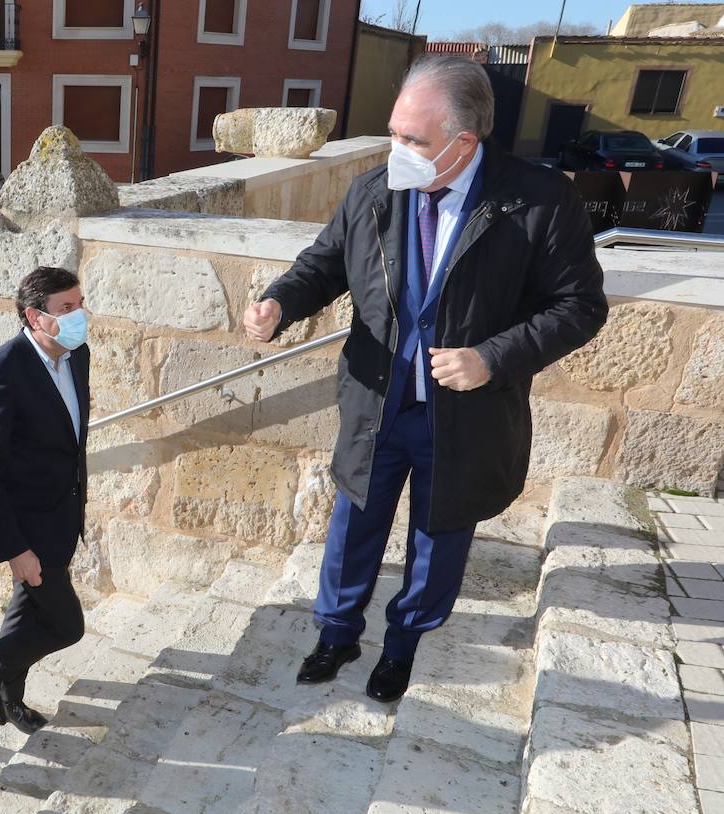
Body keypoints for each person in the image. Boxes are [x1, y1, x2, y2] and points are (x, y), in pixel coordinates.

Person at [243, 56, 607, 702]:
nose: (396, 150)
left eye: (412, 140)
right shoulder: (372, 192)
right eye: (393, 133)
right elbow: (323, 265)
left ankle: (404, 644)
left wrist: (493, 355)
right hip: (374, 401)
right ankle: (336, 633)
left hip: (465, 414)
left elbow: (580, 307)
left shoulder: (541, 203)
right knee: (352, 525)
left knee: (439, 537)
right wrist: (279, 302)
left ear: (463, 142)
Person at [0, 266, 91, 735]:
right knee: (66, 625)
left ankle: (8, 696)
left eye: (80, 304)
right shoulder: (1, 375)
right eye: (67, 308)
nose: (80, 315)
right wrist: (15, 549)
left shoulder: (76, 355)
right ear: (36, 318)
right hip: (29, 529)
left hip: (63, 514)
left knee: (26, 612)